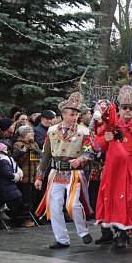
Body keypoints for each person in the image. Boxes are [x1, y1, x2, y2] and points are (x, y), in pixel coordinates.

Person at [34, 92, 94, 249]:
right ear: (63, 115)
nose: (75, 117)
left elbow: (89, 150)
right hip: (56, 173)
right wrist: (39, 177)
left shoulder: (84, 131)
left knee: (72, 204)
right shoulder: (52, 130)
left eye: (76, 114)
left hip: (74, 173)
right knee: (54, 205)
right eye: (72, 114)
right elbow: (45, 155)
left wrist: (80, 160)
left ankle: (83, 231)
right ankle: (61, 239)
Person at [94, 86, 132, 248]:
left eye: (130, 108)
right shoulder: (110, 125)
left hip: (131, 167)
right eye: (124, 108)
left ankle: (123, 233)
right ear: (119, 109)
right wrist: (106, 139)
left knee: (129, 200)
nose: (127, 111)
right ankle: (108, 231)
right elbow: (98, 147)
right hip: (113, 168)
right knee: (108, 197)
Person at [13, 126, 40, 227]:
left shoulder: (35, 144)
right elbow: (17, 160)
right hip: (24, 176)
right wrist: (24, 152)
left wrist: (36, 152)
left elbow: (39, 157)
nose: (33, 134)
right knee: (25, 199)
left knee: (33, 197)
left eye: (33, 132)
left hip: (34, 175)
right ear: (24, 135)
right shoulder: (17, 144)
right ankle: (24, 218)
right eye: (30, 132)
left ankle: (31, 215)